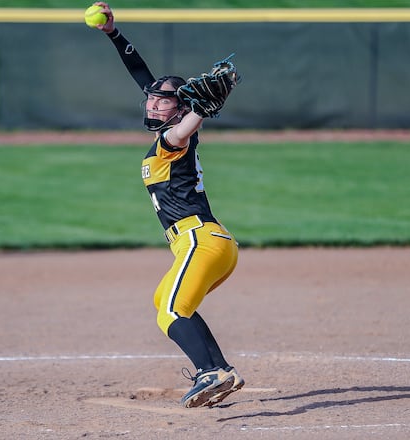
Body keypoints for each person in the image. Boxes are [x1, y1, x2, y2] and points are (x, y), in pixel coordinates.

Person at [90, 2, 244, 408]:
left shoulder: (172, 141)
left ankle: (212, 372)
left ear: (181, 108)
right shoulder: (166, 125)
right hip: (206, 243)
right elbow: (144, 77)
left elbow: (183, 131)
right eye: (152, 99)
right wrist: (113, 34)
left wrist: (201, 112)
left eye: (164, 100)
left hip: (201, 241)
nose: (154, 103)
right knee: (166, 303)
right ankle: (218, 370)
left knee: (171, 312)